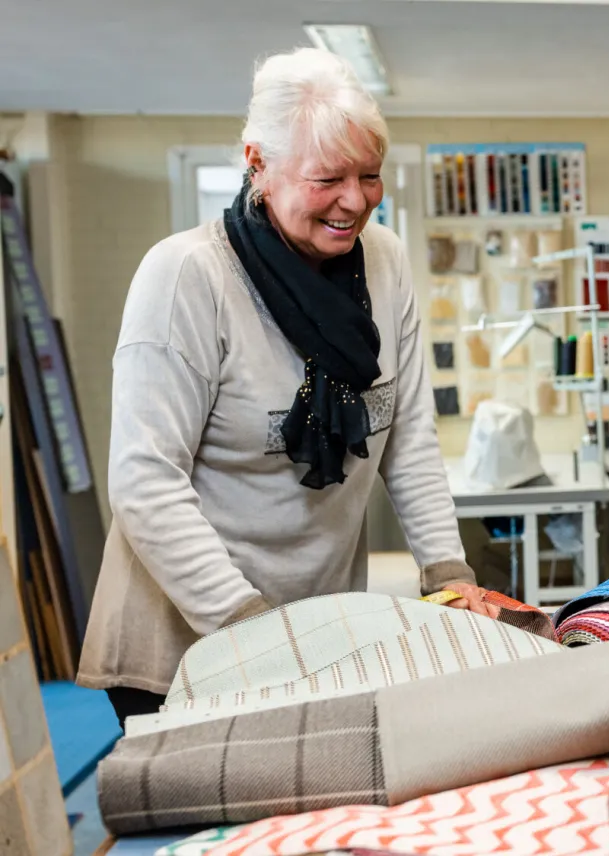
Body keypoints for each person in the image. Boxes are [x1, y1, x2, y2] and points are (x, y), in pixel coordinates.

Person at [77, 48, 497, 728]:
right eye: (327, 177)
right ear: (258, 165)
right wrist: (252, 632)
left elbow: (408, 437)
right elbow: (144, 482)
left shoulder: (384, 262)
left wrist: (448, 574)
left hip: (316, 626)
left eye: (370, 175)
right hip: (183, 639)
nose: (355, 200)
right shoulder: (188, 276)